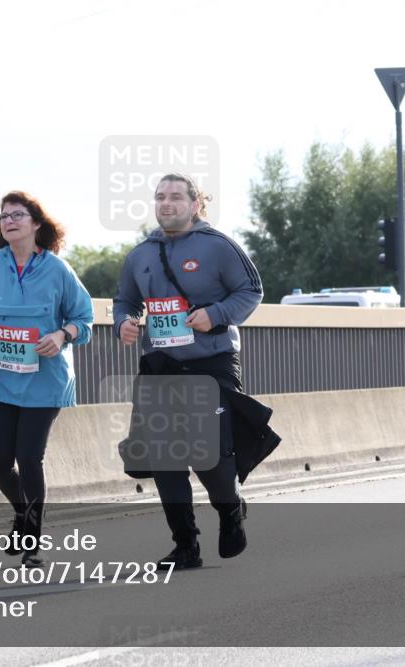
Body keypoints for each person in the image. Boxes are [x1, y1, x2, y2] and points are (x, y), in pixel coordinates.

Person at [113, 173, 266, 569]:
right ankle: (185, 545)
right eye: (160, 197)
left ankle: (230, 509)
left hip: (209, 362)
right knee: (165, 458)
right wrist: (124, 322)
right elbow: (125, 301)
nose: (166, 203)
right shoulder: (141, 254)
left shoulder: (218, 246)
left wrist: (215, 314)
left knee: (209, 455)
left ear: (195, 204)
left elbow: (251, 291)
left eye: (176, 197)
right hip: (160, 365)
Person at [0, 191, 93, 567]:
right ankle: (22, 511)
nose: (8, 221)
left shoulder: (58, 270)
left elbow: (84, 320)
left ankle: (32, 540)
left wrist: (61, 335)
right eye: (3, 216)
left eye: (17, 215)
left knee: (29, 457)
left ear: (36, 223)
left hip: (44, 381)